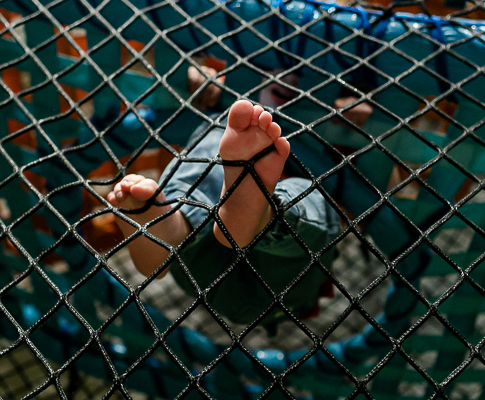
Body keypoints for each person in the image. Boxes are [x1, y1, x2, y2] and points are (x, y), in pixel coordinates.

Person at [107, 75, 373, 326]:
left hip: (267, 273)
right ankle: (175, 223)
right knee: (217, 134)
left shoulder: (345, 99)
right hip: (226, 264)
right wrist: (199, 79)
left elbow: (378, 188)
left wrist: (363, 112)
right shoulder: (243, 107)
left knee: (304, 193)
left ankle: (247, 214)